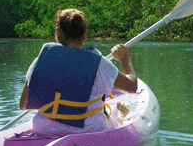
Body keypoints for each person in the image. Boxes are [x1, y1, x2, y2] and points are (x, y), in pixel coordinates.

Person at [18, 8, 138, 137]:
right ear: (85, 34)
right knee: (115, 120)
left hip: (46, 130)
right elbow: (132, 86)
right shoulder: (100, 64)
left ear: (57, 33)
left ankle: (118, 116)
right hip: (91, 131)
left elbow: (24, 105)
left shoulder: (40, 62)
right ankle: (119, 117)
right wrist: (126, 60)